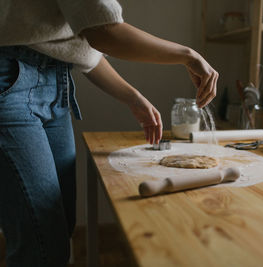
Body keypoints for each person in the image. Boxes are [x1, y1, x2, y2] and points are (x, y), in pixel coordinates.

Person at [0, 0, 218, 266]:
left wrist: (133, 97)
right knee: (42, 243)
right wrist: (188, 54)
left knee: (58, 227)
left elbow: (80, 48)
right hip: (9, 82)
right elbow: (105, 34)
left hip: (56, 84)